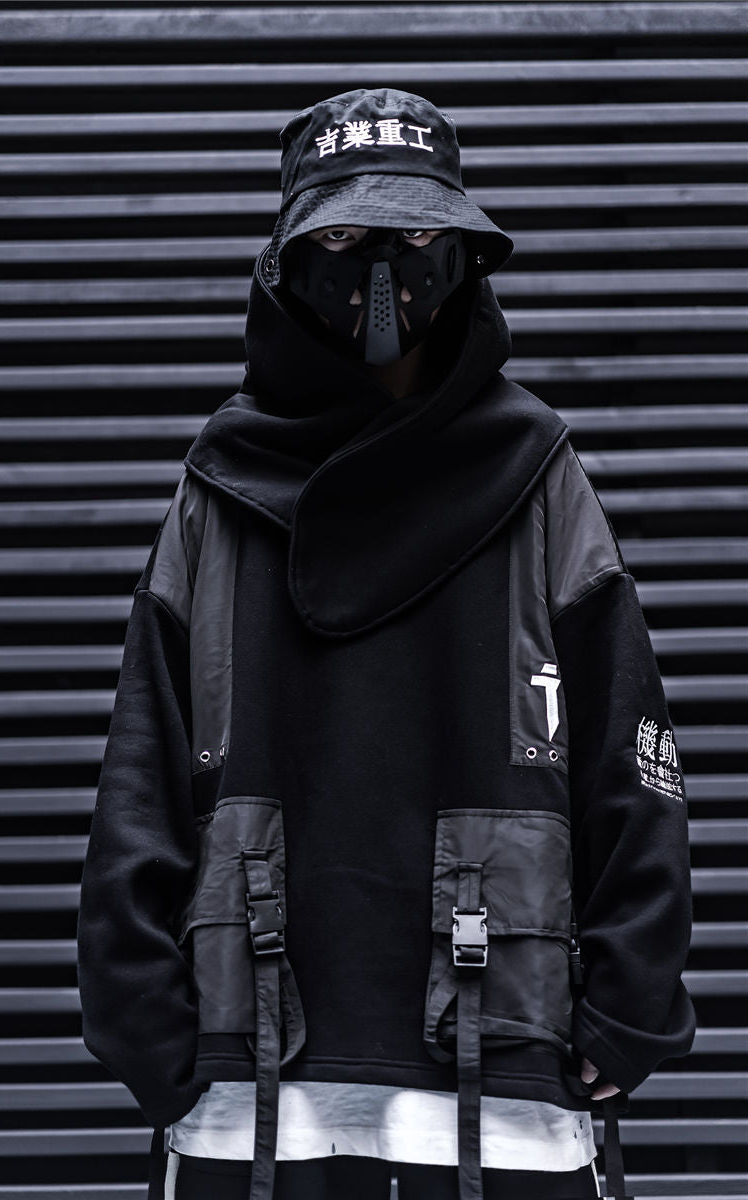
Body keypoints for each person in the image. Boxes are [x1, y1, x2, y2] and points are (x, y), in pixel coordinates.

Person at [77, 89, 696, 1200]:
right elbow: (144, 764)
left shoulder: (537, 473)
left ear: (460, 258)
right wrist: (142, 1025)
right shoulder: (219, 485)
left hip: (506, 1084)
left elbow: (627, 745)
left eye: (413, 237)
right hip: (250, 1095)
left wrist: (628, 1003)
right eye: (343, 238)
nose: (380, 273)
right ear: (286, 265)